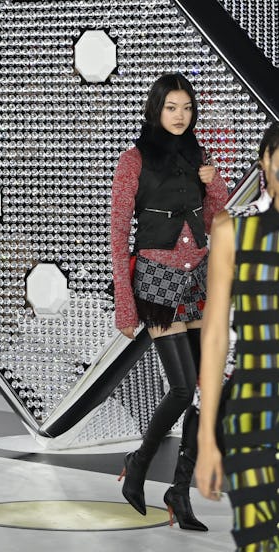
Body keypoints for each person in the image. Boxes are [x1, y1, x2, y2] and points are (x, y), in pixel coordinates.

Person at [111, 72, 229, 529]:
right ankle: (139, 461)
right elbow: (118, 234)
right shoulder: (133, 160)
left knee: (207, 388)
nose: (180, 116)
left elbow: (215, 220)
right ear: (155, 109)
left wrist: (214, 184)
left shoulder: (200, 155)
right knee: (182, 388)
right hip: (157, 281)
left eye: (187, 108)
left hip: (198, 278)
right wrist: (125, 304)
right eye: (171, 107)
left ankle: (179, 491)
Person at [195, 122, 279, 551]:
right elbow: (215, 337)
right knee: (260, 543)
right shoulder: (232, 231)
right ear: (264, 161)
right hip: (254, 412)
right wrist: (206, 438)